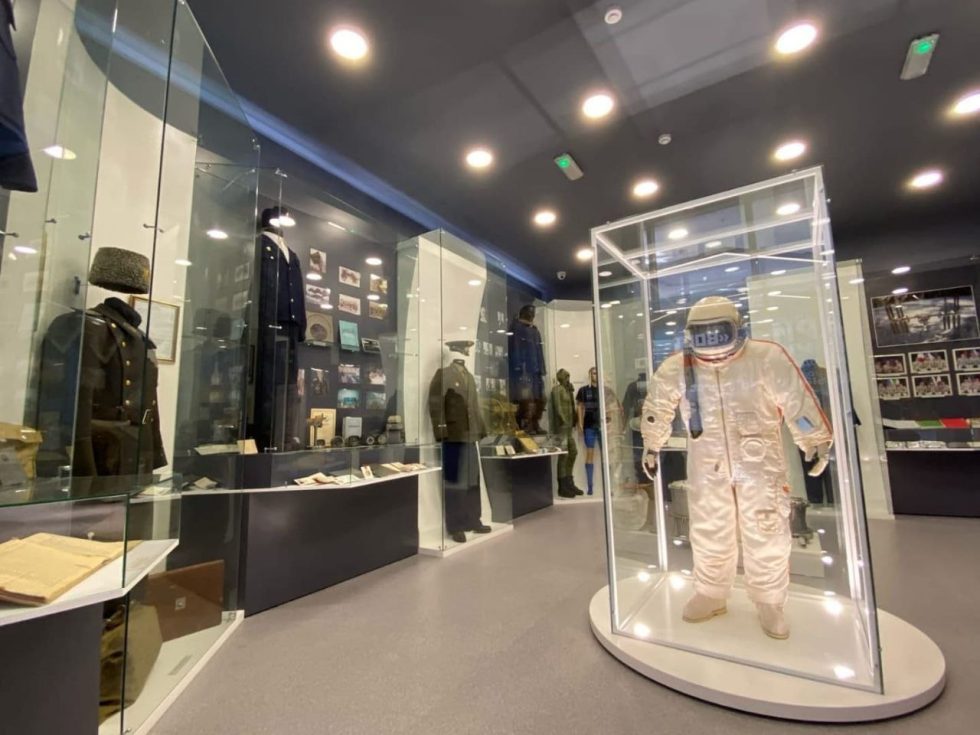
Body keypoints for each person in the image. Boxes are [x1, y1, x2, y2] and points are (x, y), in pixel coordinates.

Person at [641, 296, 832, 640]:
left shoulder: (765, 358)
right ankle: (711, 592)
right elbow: (658, 407)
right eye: (703, 334)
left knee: (766, 526)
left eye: (719, 332)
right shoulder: (678, 367)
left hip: (759, 459)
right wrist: (652, 444)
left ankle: (770, 600)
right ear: (691, 335)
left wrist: (815, 440)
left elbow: (797, 401)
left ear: (737, 329)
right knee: (709, 525)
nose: (711, 342)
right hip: (707, 458)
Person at [549, 369, 583, 497]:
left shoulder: (568, 390)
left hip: (569, 427)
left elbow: (572, 407)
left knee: (573, 452)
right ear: (561, 378)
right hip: (562, 427)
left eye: (568, 376)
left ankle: (569, 482)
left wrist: (574, 421)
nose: (567, 378)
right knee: (563, 455)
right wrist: (563, 419)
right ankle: (562, 486)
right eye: (566, 376)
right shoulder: (557, 390)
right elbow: (557, 407)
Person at [576, 367, 601, 495]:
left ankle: (609, 485)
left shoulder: (604, 390)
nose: (595, 375)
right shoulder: (584, 390)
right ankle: (590, 486)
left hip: (602, 425)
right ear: (590, 375)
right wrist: (580, 423)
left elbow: (611, 406)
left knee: (606, 454)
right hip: (589, 425)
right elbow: (580, 407)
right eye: (593, 373)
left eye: (597, 373)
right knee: (589, 454)